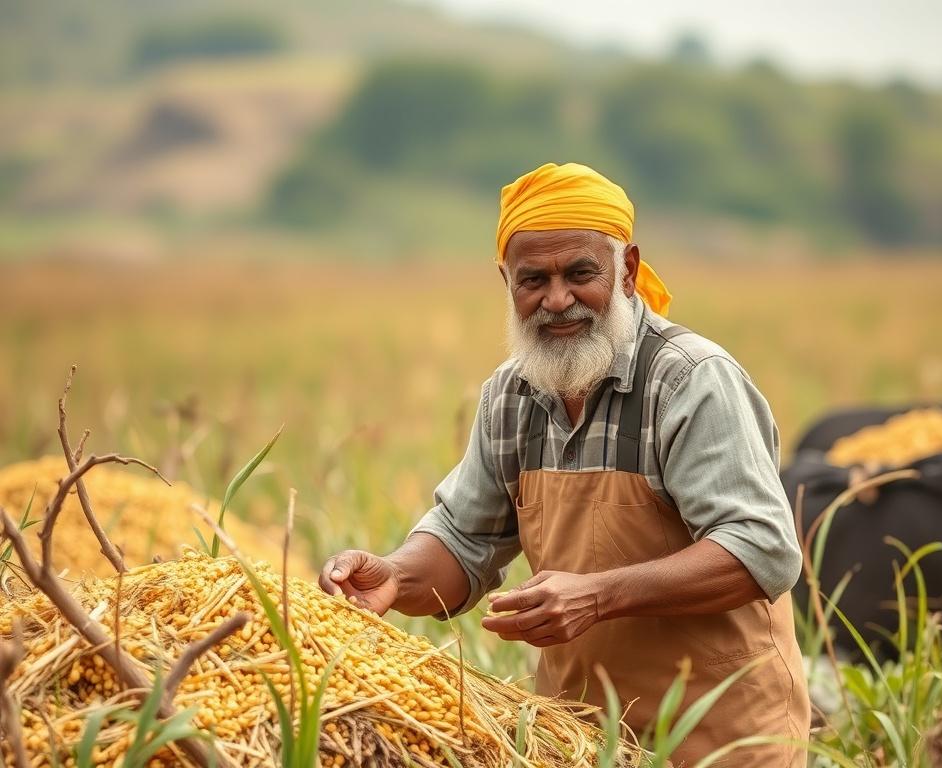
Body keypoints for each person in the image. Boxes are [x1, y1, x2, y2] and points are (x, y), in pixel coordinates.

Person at [320, 162, 810, 766]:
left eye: (581, 273)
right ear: (506, 281)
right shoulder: (510, 395)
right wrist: (395, 577)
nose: (557, 300)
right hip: (580, 740)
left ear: (626, 270)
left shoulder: (689, 381)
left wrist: (599, 596)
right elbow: (463, 537)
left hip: (722, 738)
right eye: (533, 280)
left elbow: (761, 547)